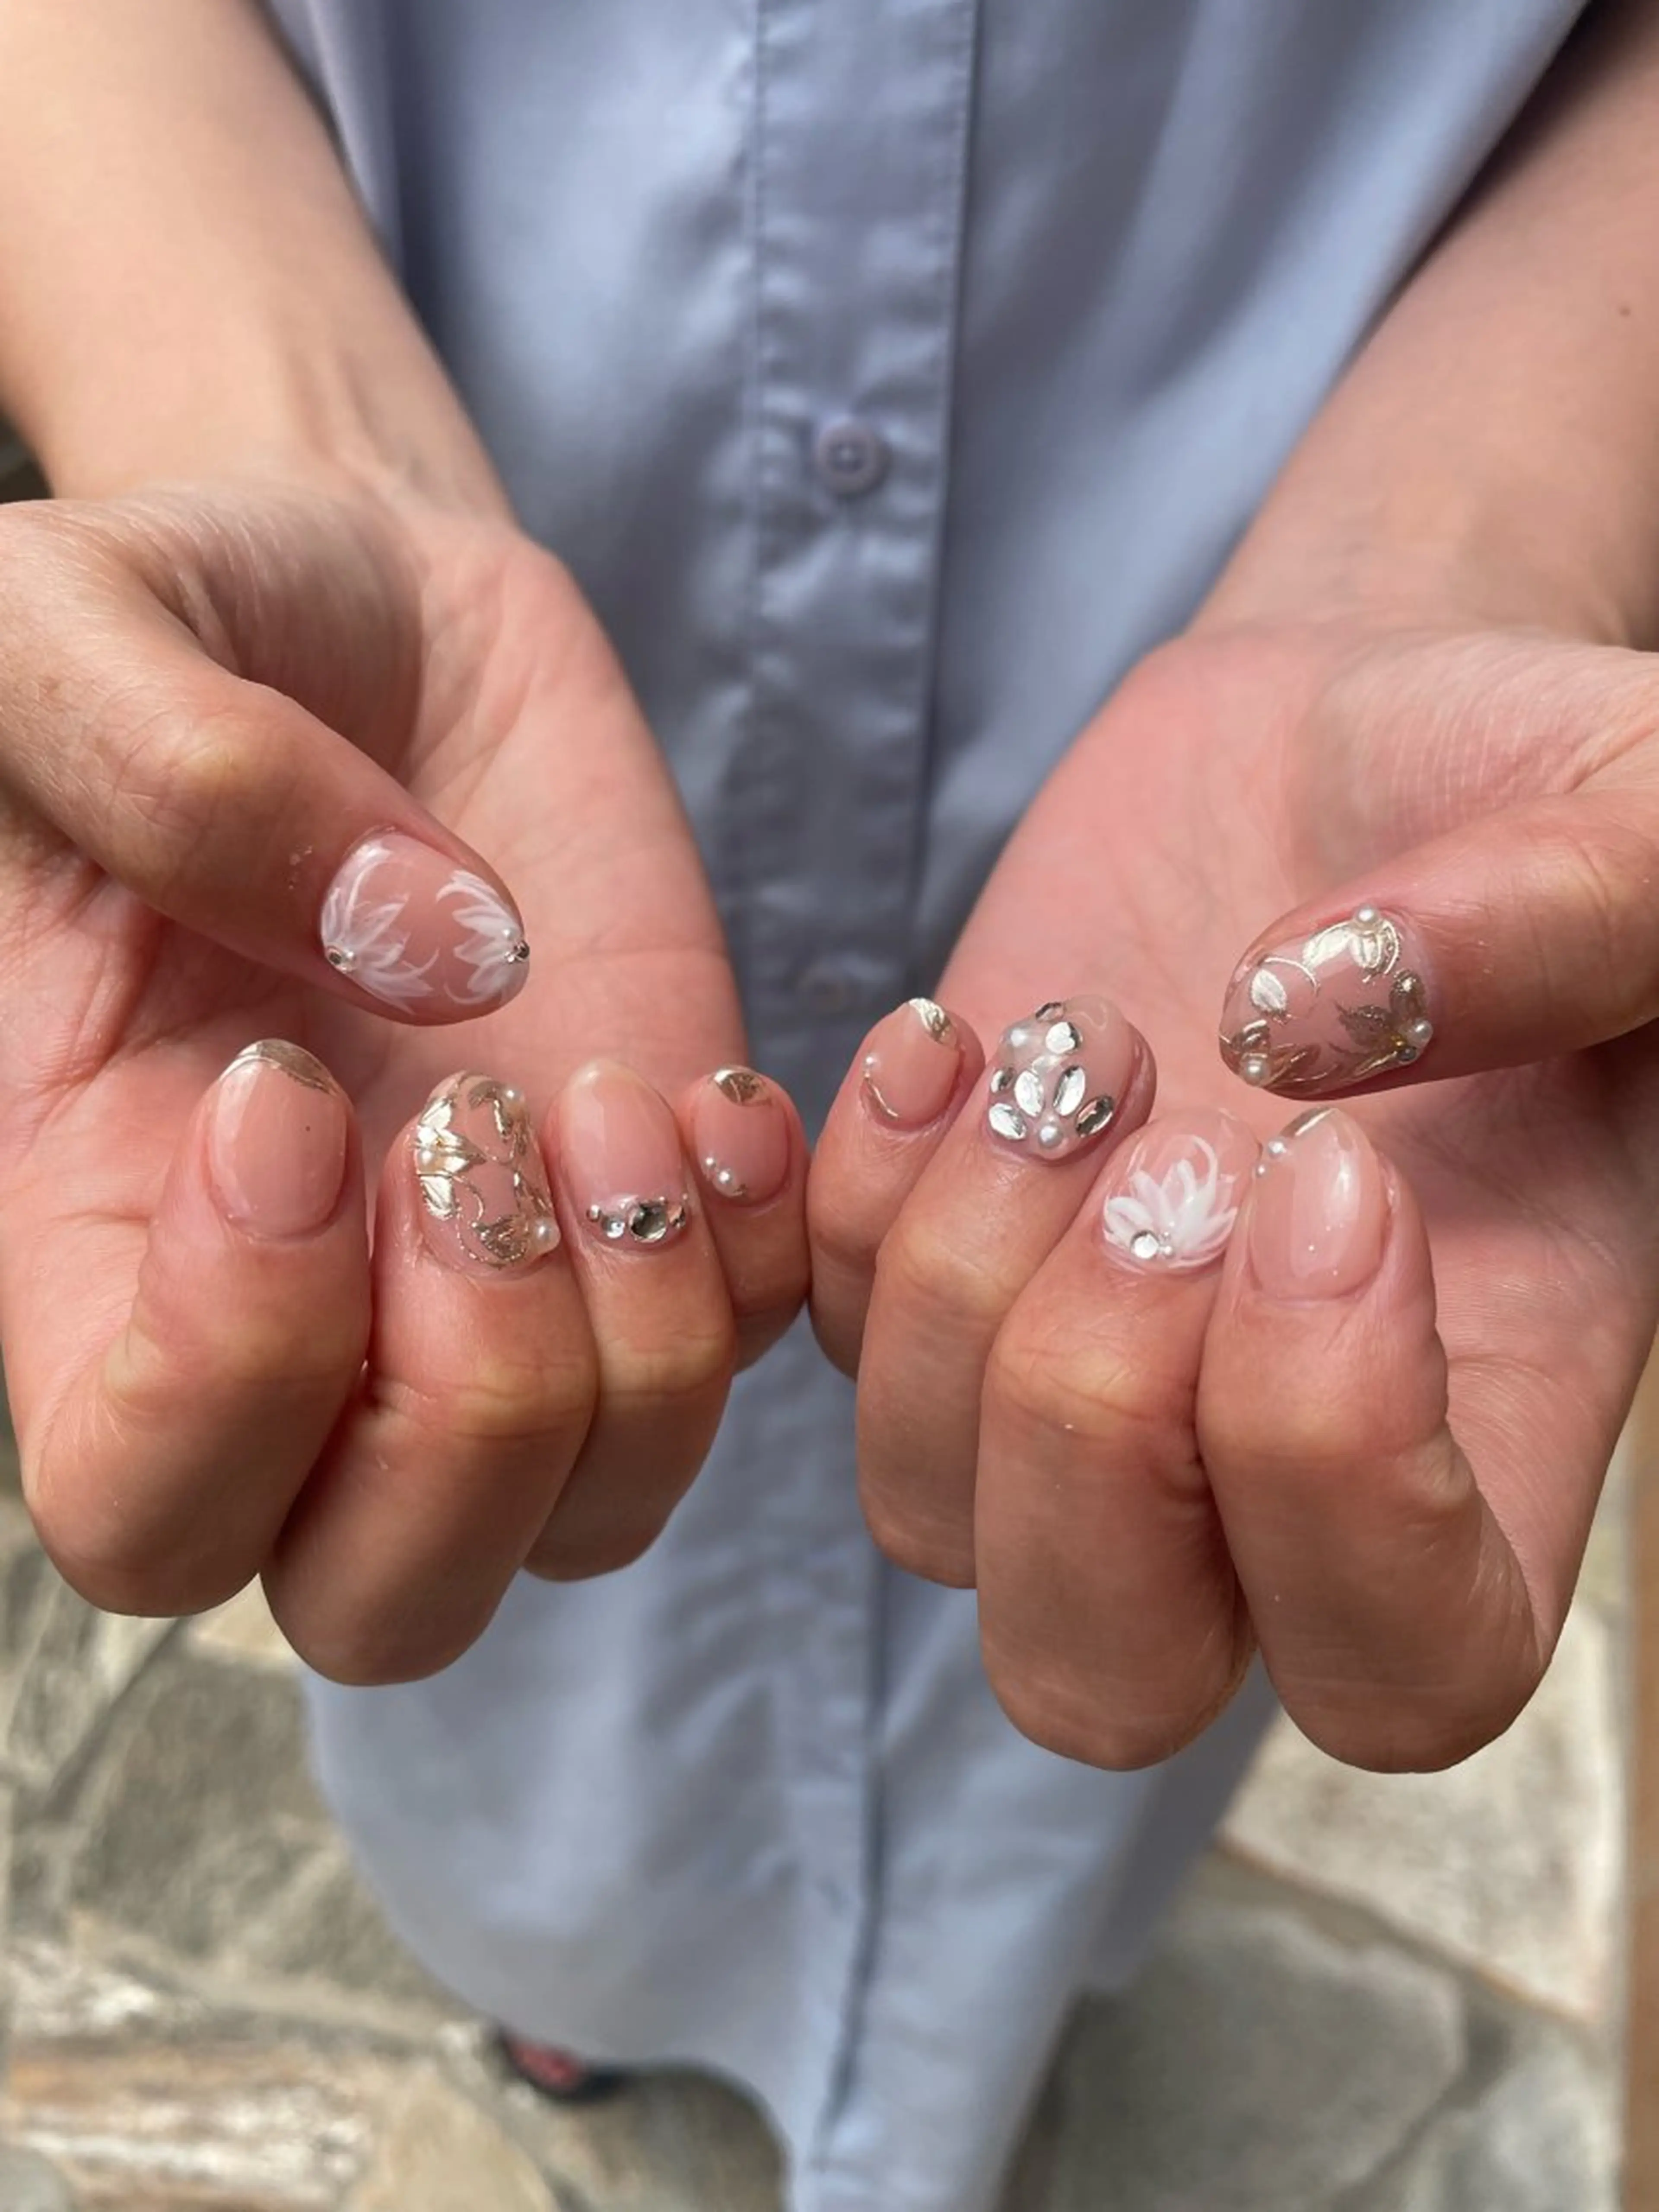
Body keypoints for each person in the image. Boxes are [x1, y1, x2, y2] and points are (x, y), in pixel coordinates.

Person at [1, 1, 1656, 2204]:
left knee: (1145, 1515)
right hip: (460, 627)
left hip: (1268, 595)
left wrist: (1466, 553)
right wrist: (271, 432)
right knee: (492, 1522)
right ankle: (578, 1960)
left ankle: (988, 2016)